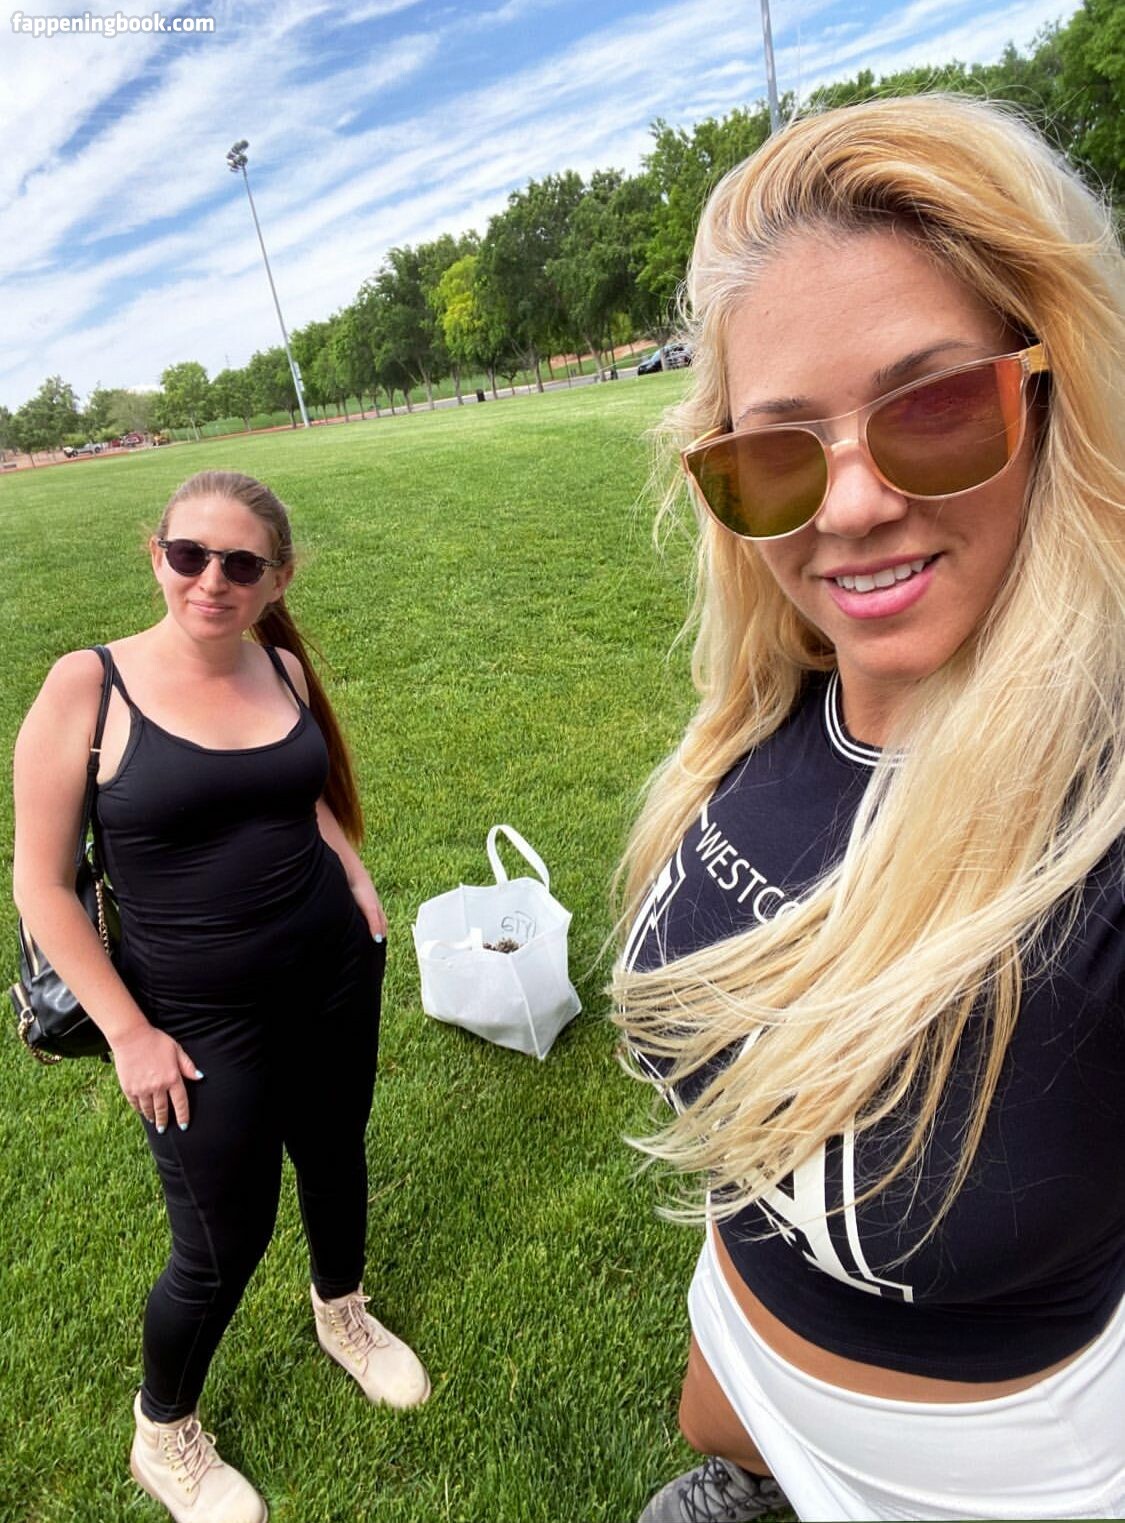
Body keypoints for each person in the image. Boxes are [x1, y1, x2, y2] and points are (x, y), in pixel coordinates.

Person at [613, 95, 1124, 1523]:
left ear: (1053, 396)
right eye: (776, 453)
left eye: (936, 409)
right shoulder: (768, 699)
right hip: (747, 1346)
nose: (844, 507)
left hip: (988, 1476)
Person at [13, 470, 430, 1523]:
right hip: (193, 1023)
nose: (212, 579)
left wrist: (355, 875)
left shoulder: (279, 664)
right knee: (220, 1241)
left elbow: (301, 795)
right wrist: (129, 1033)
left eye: (242, 563)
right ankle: (164, 1429)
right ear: (155, 554)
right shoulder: (89, 686)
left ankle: (342, 1310)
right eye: (190, 554)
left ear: (277, 577)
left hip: (332, 973)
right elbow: (40, 885)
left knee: (336, 1156)